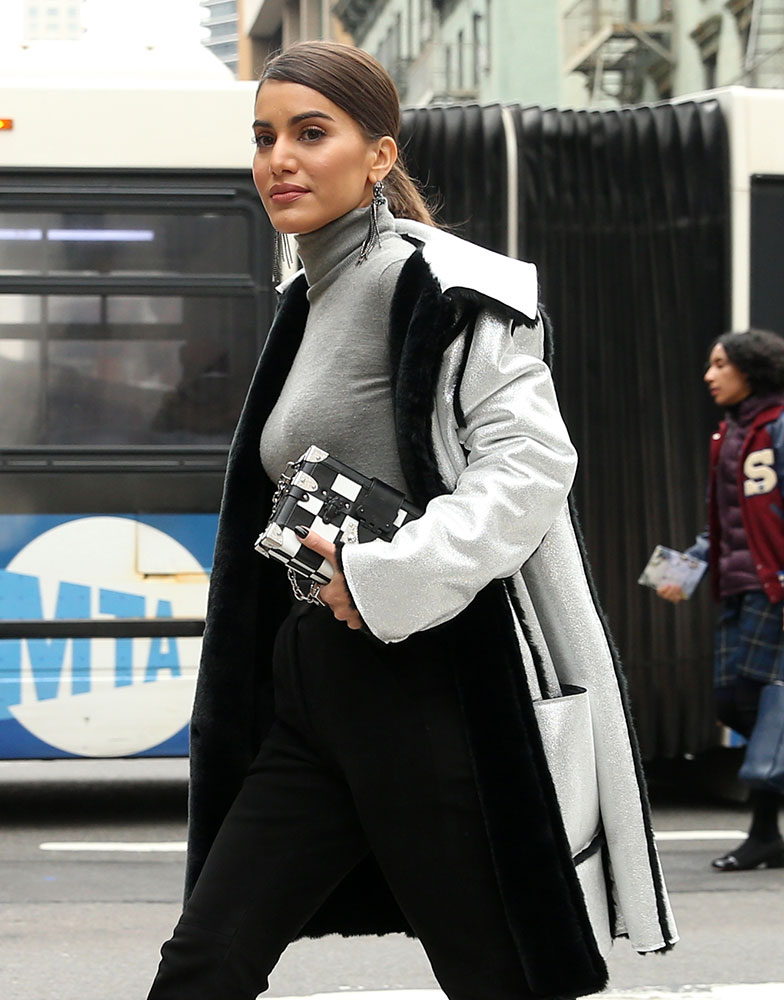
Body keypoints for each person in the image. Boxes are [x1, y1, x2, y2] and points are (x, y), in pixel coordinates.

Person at [146, 41, 676, 1000]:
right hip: (315, 690)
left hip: (424, 690)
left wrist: (389, 577)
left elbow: (531, 466)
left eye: (313, 133)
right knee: (204, 964)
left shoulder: (443, 285)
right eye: (265, 137)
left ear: (379, 156)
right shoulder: (306, 297)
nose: (280, 159)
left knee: (499, 976)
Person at [658, 328, 784, 872]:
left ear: (750, 371)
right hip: (738, 587)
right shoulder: (730, 435)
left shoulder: (777, 428)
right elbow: (725, 524)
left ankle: (763, 833)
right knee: (735, 703)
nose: (708, 376)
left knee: (762, 702)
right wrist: (682, 568)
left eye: (719, 365)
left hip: (773, 588)